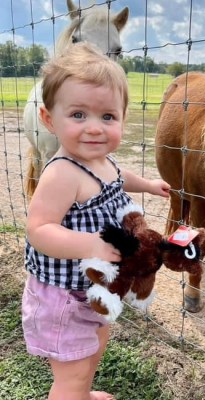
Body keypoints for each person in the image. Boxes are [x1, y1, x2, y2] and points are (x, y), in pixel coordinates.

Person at [21, 42, 170, 400]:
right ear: (48, 119)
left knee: (94, 349)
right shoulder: (63, 173)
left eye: (107, 117)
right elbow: (38, 229)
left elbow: (120, 177)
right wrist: (91, 245)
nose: (94, 129)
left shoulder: (102, 160)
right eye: (78, 115)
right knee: (70, 375)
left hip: (92, 290)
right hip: (63, 297)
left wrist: (148, 184)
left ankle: (84, 394)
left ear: (122, 119)